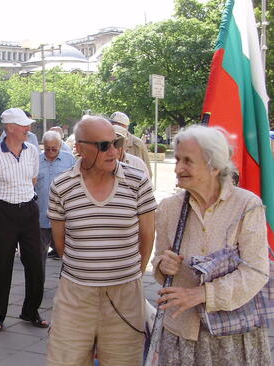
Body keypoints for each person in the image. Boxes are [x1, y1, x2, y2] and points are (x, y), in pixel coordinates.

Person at [152, 125, 271, 365]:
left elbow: (257, 271)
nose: (177, 168)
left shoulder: (246, 205)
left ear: (214, 166)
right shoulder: (168, 208)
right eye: (177, 160)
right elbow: (158, 265)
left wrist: (203, 294)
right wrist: (163, 266)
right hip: (182, 332)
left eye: (187, 161)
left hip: (234, 335)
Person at [46, 116, 156, 365]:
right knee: (64, 360)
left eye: (116, 143)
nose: (113, 151)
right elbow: (60, 243)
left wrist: (130, 277)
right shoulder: (61, 186)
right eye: (103, 145)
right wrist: (86, 271)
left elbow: (147, 236)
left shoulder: (138, 182)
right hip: (75, 296)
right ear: (80, 149)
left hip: (125, 296)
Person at [0, 107, 47, 331]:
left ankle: (31, 311)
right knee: (1, 265)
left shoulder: (32, 151)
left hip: (28, 210)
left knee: (35, 263)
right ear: (11, 128)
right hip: (1, 213)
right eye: (24, 125)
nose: (29, 128)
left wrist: (20, 200)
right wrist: (0, 208)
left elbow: (33, 179)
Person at [35, 130, 75, 263]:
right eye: (47, 149)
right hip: (41, 216)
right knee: (38, 257)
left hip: (64, 216)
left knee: (67, 256)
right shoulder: (36, 160)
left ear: (60, 145)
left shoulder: (69, 160)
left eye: (54, 149)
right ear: (43, 145)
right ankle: (38, 284)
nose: (51, 152)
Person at [109, 111, 152, 177]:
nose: (113, 126)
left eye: (116, 124)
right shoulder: (104, 140)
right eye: (111, 123)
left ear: (125, 126)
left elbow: (148, 171)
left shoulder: (138, 144)